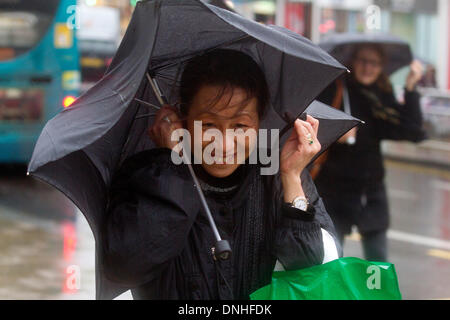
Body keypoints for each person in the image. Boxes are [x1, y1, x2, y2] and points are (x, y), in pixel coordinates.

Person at [101, 49, 341, 300]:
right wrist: (173, 169)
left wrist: (292, 178)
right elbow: (124, 267)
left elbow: (310, 272)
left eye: (240, 126)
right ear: (183, 120)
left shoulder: (280, 178)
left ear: (259, 123)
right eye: (208, 125)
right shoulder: (147, 175)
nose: (224, 145)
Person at [315, 43, 426, 262]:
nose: (368, 68)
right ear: (353, 61)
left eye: (374, 63)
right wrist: (334, 133)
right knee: (331, 262)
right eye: (363, 61)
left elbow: (412, 131)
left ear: (382, 66)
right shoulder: (336, 89)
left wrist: (411, 88)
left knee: (377, 264)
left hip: (371, 192)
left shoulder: (381, 97)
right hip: (334, 193)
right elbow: (308, 126)